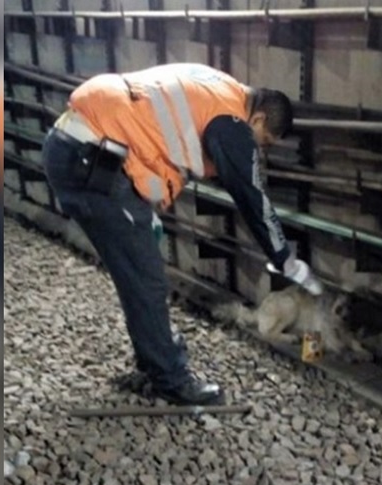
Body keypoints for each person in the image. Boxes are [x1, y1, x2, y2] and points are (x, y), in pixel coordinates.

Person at [41, 63, 322, 406]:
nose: (258, 151)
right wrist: (286, 261)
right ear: (259, 119)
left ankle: (153, 365)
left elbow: (156, 133)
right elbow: (251, 197)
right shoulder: (232, 122)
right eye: (262, 142)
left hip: (78, 149)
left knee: (137, 274)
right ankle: (171, 380)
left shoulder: (218, 87)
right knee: (147, 281)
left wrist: (145, 211)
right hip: (94, 162)